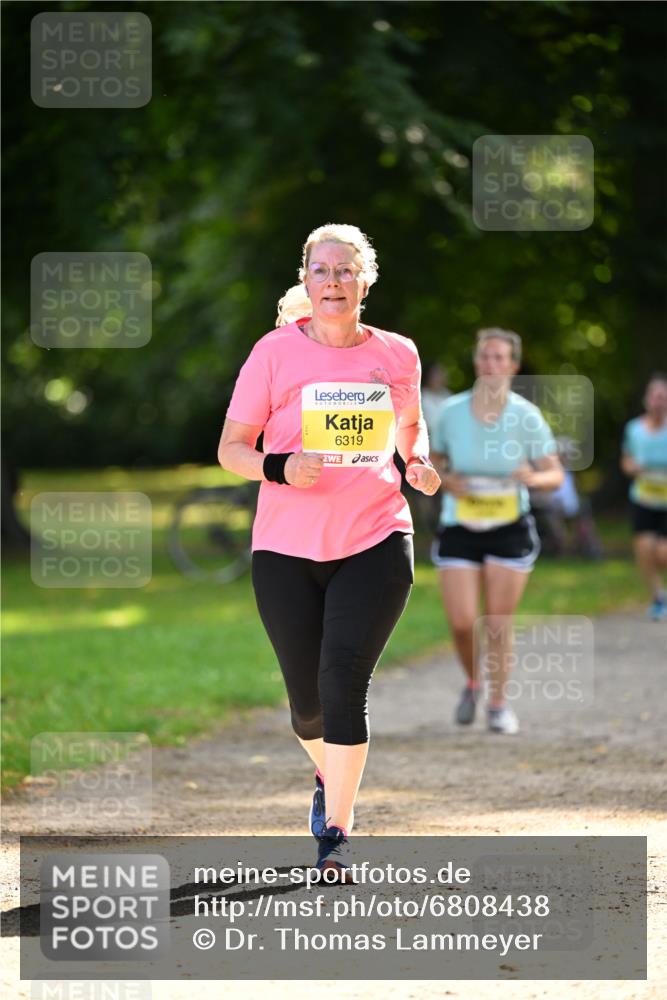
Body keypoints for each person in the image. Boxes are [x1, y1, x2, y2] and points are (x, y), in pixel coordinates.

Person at [217, 223, 440, 880]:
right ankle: (330, 774)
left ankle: (336, 835)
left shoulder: (397, 354)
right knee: (307, 706)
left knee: (343, 682)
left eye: (346, 270)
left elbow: (410, 426)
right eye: (322, 270)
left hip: (375, 536)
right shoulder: (273, 353)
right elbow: (232, 449)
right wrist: (281, 467)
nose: (334, 281)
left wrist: (417, 461)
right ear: (306, 280)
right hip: (285, 547)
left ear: (364, 281)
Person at [430, 328, 564, 735]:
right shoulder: (450, 411)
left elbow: (555, 474)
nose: (490, 363)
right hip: (460, 525)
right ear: (476, 362)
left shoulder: (526, 415)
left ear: (513, 366)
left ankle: (499, 704)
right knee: (461, 622)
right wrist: (445, 478)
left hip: (509, 528)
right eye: (485, 356)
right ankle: (473, 683)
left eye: (499, 357)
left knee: (497, 623)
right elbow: (431, 459)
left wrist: (533, 478)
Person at [621, 373, 667, 621]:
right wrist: (632, 468)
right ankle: (658, 597)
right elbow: (626, 460)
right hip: (643, 499)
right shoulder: (634, 429)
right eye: (656, 397)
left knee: (663, 554)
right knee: (644, 552)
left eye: (664, 397)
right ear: (647, 399)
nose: (659, 402)